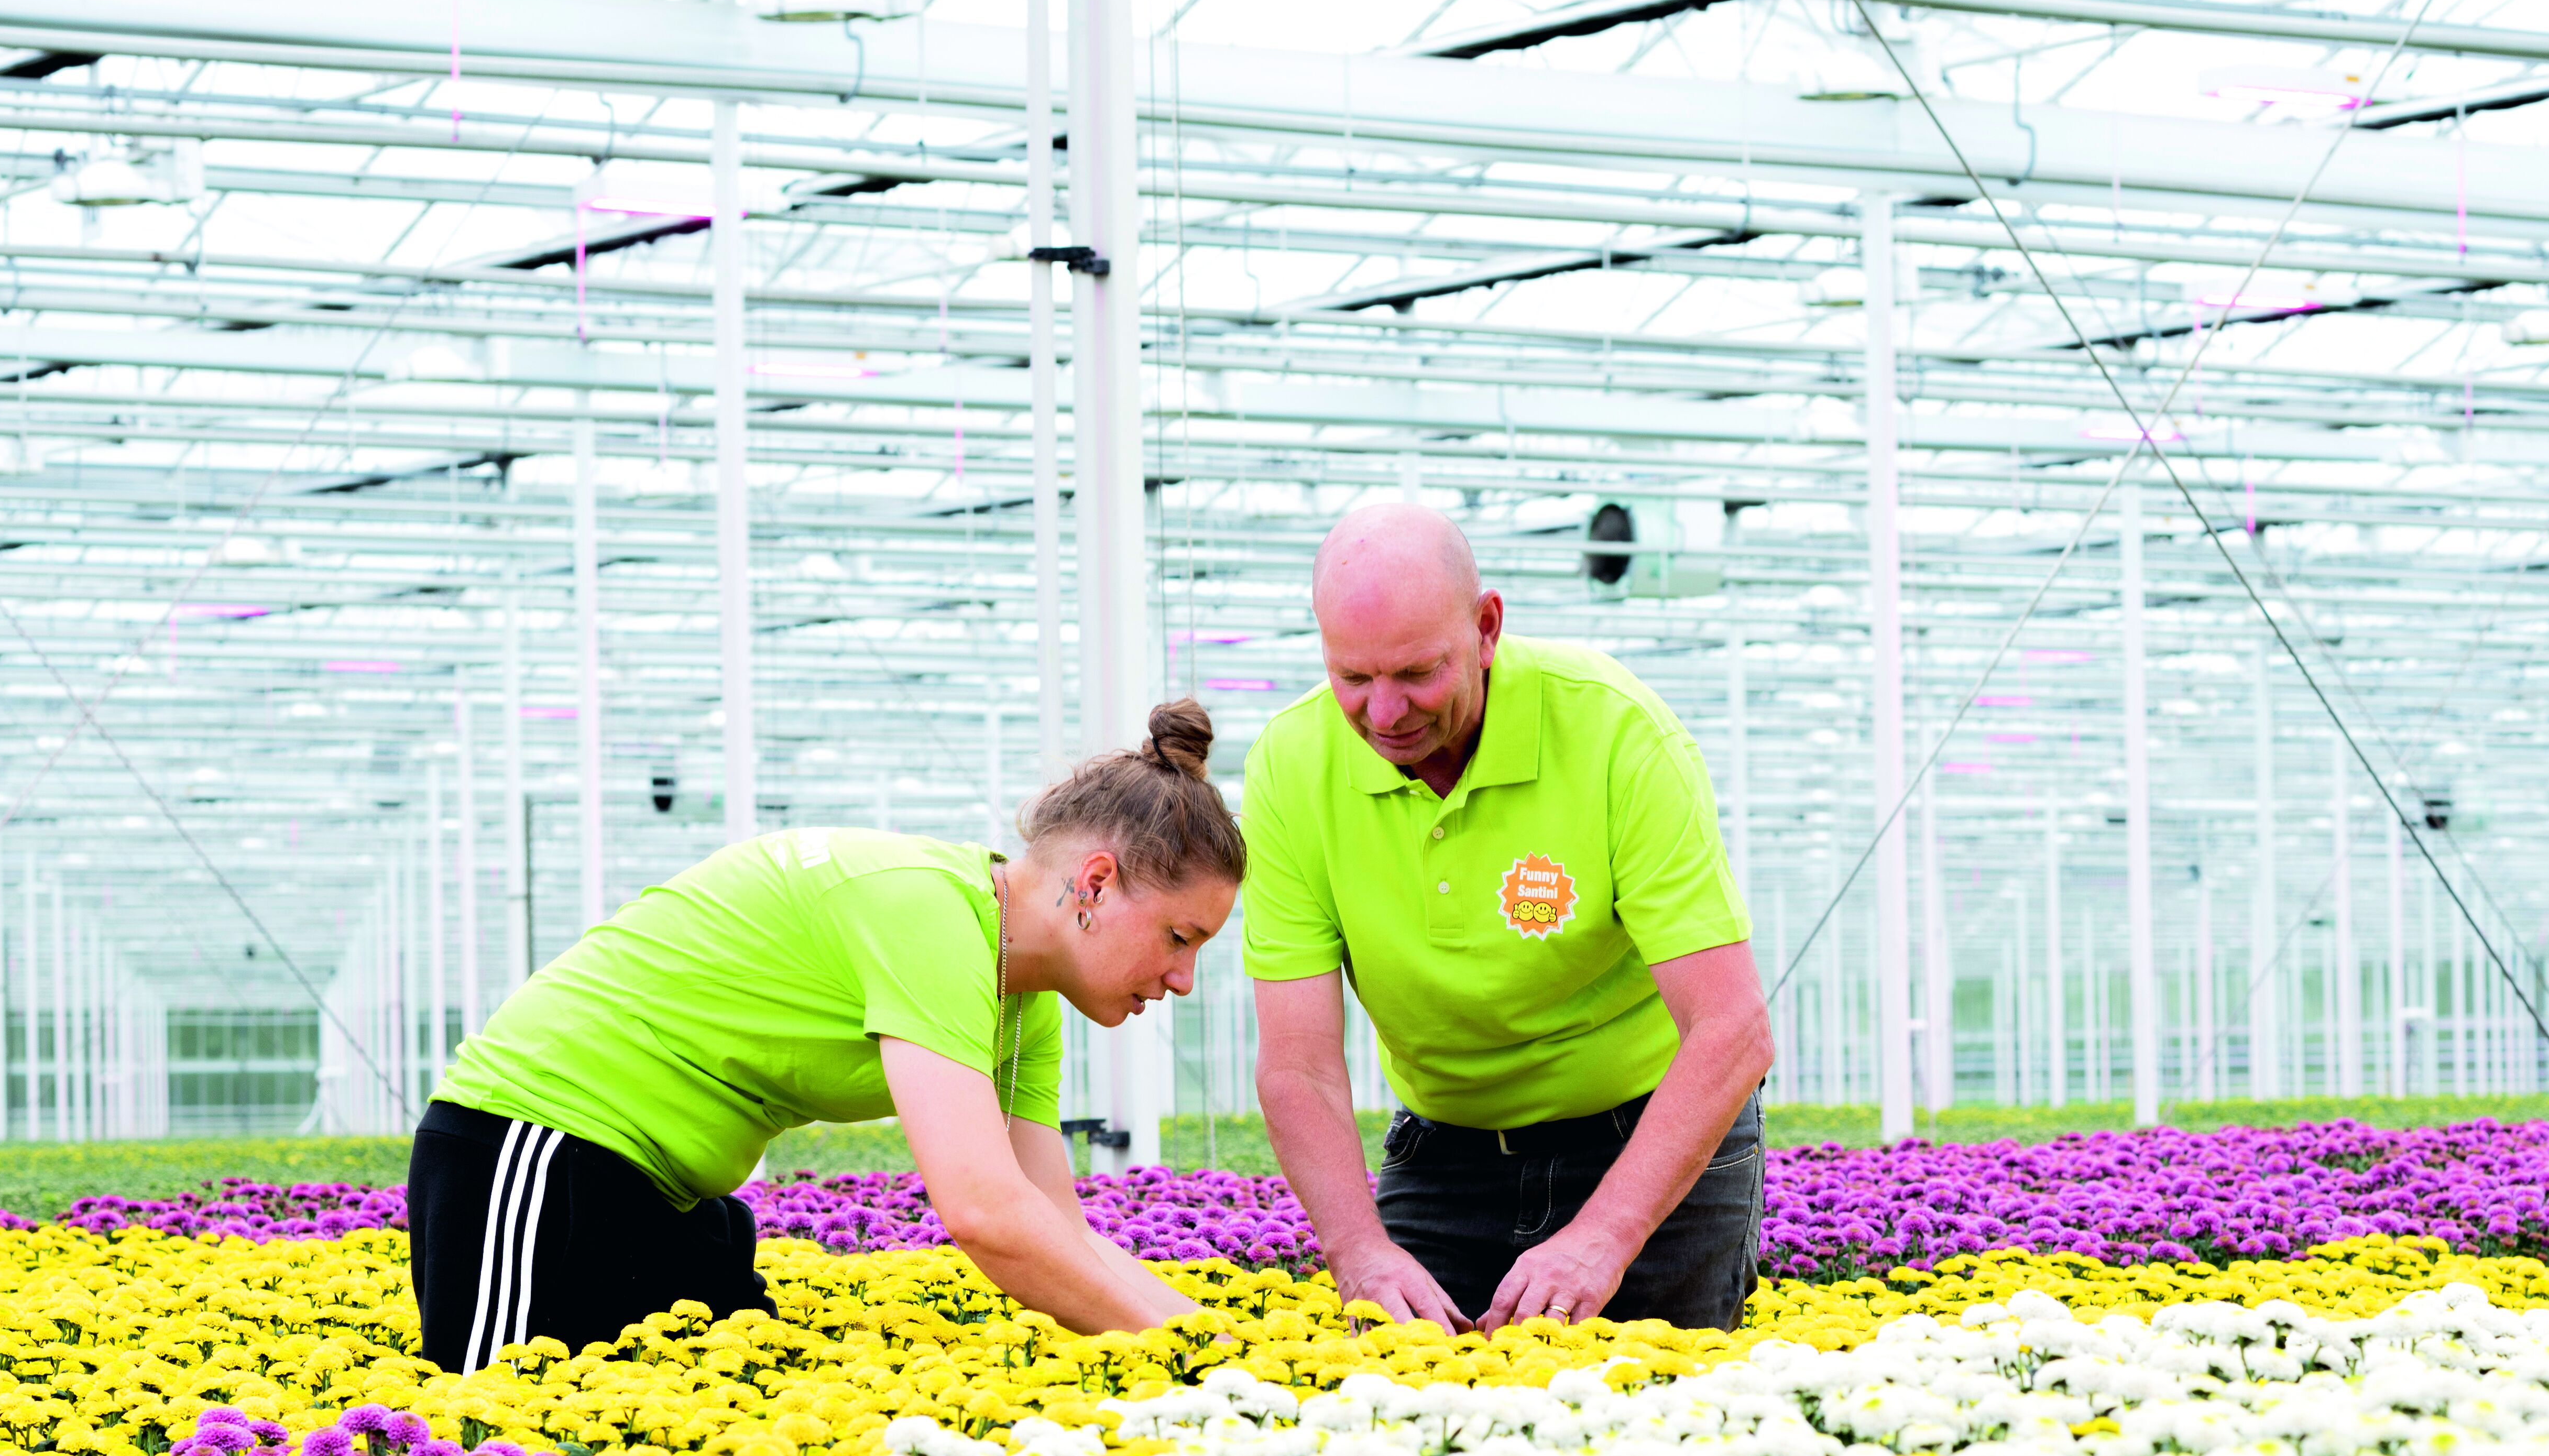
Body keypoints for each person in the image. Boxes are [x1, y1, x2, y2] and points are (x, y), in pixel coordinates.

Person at [408, 700, 1244, 1369]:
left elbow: (1056, 1226)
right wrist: (1199, 1363)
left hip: (663, 1197)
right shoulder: (928, 913)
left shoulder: (1022, 1005)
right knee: (507, 1452)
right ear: (1095, 882)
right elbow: (985, 1212)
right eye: (1180, 938)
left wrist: (1232, 1346)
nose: (1183, 979)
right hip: (535, 1154)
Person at [1243, 504, 1773, 1333]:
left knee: (1664, 1403)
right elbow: (1298, 1064)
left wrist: (1604, 1237)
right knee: (1409, 1401)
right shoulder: (1291, 764)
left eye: (1417, 673)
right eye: (1354, 678)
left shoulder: (1614, 731)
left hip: (1648, 1142)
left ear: (1487, 628)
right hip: (1444, 1155)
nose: (1385, 714)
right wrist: (1359, 1249)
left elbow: (1731, 1028)